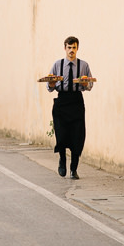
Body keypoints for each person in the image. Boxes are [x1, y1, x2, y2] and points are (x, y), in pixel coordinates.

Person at [47, 35, 93, 179]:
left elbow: (90, 85)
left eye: (74, 47)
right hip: (62, 102)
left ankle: (74, 169)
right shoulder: (57, 64)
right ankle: (62, 159)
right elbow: (50, 86)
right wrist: (52, 83)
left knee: (77, 137)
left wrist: (85, 84)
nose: (71, 50)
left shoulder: (84, 65)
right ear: (65, 48)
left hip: (76, 102)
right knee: (61, 134)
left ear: (77, 48)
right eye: (69, 47)